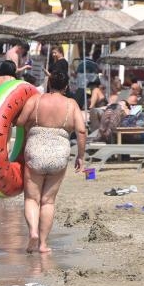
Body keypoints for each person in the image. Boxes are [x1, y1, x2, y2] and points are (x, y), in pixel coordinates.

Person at [16, 70, 86, 253]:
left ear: (49, 83)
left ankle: (33, 232)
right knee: (48, 202)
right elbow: (81, 130)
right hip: (59, 153)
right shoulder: (71, 104)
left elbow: (20, 122)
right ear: (66, 86)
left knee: (32, 198)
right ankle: (43, 244)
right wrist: (81, 156)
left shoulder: (36, 100)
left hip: (36, 150)